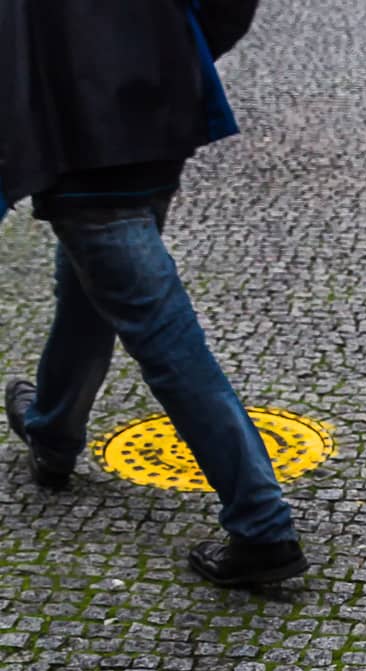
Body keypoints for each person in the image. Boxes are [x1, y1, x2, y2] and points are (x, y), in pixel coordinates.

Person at [0, 0, 307, 587]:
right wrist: (171, 51)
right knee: (89, 287)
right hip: (156, 114)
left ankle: (262, 526)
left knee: (164, 337)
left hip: (74, 137)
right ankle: (52, 430)